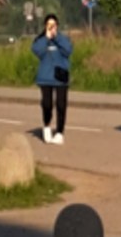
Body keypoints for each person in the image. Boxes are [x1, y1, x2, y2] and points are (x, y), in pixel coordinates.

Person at [32, 14, 72, 145]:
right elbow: (37, 51)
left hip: (60, 76)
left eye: (53, 25)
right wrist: (46, 38)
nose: (51, 27)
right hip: (46, 77)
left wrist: (57, 37)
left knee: (61, 105)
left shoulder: (62, 38)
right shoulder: (41, 40)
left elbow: (68, 50)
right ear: (45, 26)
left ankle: (60, 132)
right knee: (47, 104)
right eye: (49, 25)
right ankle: (47, 125)